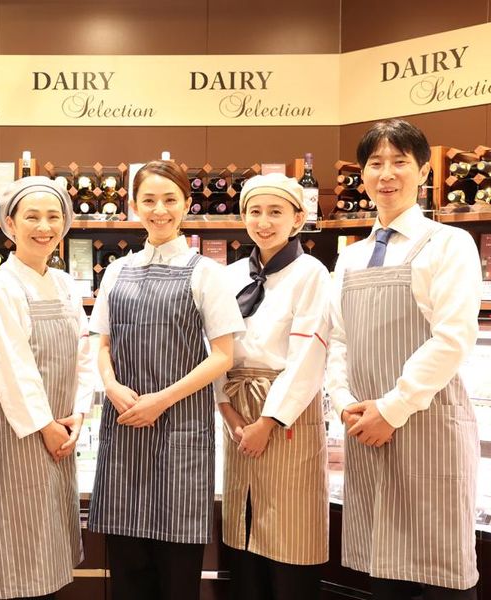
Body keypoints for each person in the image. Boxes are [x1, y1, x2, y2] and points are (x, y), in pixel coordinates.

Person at [326, 118, 481, 600]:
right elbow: (338, 340)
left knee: (441, 576)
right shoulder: (350, 257)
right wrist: (346, 405)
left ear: (423, 172)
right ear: (362, 174)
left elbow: (453, 338)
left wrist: (391, 409)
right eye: (376, 163)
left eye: (400, 162)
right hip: (365, 431)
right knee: (385, 574)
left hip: (428, 427)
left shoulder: (448, 243)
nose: (387, 174)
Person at [87, 160, 244, 600]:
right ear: (134, 206)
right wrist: (111, 386)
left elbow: (223, 356)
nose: (160, 210)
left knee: (176, 577)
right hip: (125, 431)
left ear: (186, 204)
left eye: (170, 199)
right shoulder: (117, 271)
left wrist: (161, 400)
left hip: (180, 431)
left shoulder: (206, 272)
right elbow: (101, 343)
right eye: (149, 200)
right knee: (128, 573)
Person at [0, 176, 93, 600]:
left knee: (49, 550)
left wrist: (77, 414)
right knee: (18, 552)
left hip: (61, 432)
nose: (44, 227)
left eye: (53, 217)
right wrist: (45, 426)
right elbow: (8, 367)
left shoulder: (64, 284)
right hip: (20, 434)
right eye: (32, 217)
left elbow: (83, 353)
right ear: (10, 223)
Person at [219, 173, 329, 599]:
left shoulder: (311, 273)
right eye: (255, 211)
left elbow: (308, 356)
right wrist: (227, 412)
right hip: (235, 410)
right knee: (243, 529)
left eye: (276, 212)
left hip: (287, 412)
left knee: (290, 536)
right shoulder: (229, 276)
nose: (263, 222)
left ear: (297, 218)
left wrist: (267, 422)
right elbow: (214, 350)